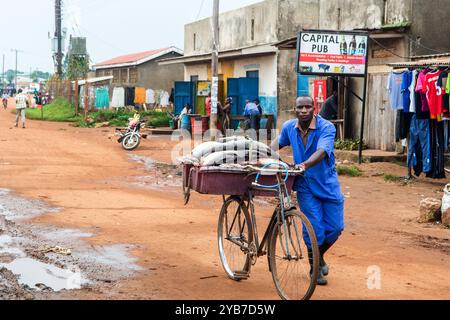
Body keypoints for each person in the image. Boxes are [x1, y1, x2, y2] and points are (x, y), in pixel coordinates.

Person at [274, 96, 344, 286]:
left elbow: (322, 151)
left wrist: (304, 164)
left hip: (327, 184)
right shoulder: (289, 127)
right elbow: (277, 145)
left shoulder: (327, 128)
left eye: (307, 107)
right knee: (314, 228)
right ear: (294, 110)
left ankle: (319, 256)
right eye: (300, 107)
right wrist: (257, 151)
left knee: (336, 228)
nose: (304, 110)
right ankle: (315, 268)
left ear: (315, 109)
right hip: (305, 185)